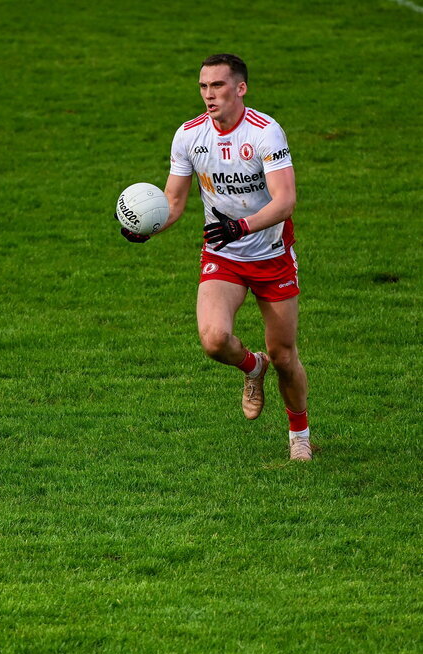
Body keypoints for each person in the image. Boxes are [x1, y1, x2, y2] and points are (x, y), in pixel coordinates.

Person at [120, 53, 313, 461]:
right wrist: (146, 228)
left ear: (240, 88)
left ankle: (299, 434)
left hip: (271, 254)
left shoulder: (266, 132)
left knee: (283, 355)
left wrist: (241, 227)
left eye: (218, 86)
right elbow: (173, 202)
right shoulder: (189, 135)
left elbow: (286, 201)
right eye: (204, 86)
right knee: (213, 340)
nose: (209, 95)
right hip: (223, 255)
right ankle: (251, 368)